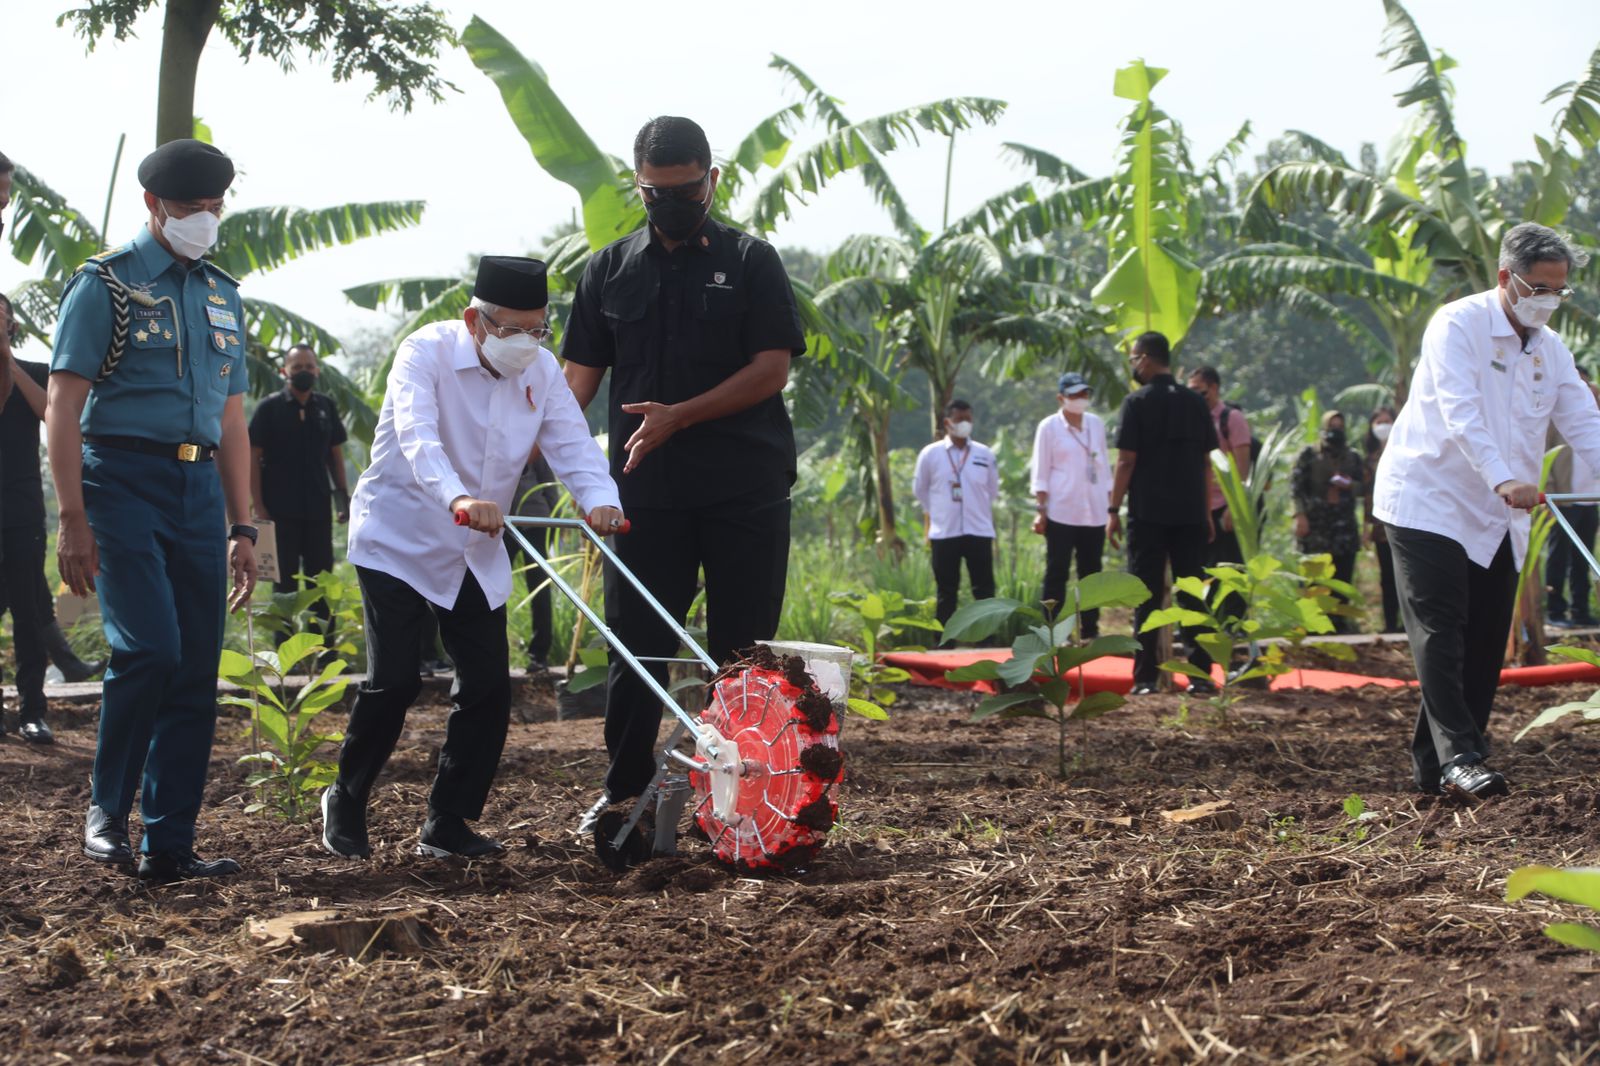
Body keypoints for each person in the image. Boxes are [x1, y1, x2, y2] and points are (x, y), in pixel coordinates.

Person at [320, 256, 621, 860]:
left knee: (487, 687)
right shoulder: (425, 353)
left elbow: (572, 442)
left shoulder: (540, 371)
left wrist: (600, 501)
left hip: (474, 549)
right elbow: (416, 434)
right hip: (398, 540)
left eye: (538, 330)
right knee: (397, 680)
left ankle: (447, 820)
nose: (526, 343)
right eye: (512, 330)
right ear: (474, 321)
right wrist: (457, 494)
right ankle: (347, 797)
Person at [560, 116, 806, 832]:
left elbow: (771, 369)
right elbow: (575, 383)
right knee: (636, 649)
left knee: (743, 651)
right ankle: (624, 793)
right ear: (636, 187)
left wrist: (681, 415)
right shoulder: (607, 269)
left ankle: (736, 802)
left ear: (712, 181)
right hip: (643, 495)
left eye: (686, 189)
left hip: (744, 488)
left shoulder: (752, 261)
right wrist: (532, 453)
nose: (672, 202)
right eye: (656, 192)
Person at [47, 139, 256, 882]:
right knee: (150, 651)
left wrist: (243, 524)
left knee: (196, 667)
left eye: (213, 206)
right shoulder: (106, 286)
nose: (204, 218)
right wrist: (73, 519)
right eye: (189, 208)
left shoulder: (222, 294)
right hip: (121, 480)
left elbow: (233, 422)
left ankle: (170, 842)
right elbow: (64, 409)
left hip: (199, 493)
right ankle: (107, 811)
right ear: (152, 206)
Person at [1373, 222, 1600, 801]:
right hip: (1429, 499)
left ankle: (1434, 767)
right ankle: (1463, 757)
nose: (1548, 300)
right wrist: (1503, 477)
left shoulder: (1551, 350)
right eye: (1539, 287)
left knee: (1483, 638)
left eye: (1559, 290)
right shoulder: (1459, 324)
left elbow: (1584, 424)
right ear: (1506, 278)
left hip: (1499, 513)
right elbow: (1459, 409)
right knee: (1440, 630)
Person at [1106, 331, 1218, 696]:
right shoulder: (1196, 403)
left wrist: (1113, 509)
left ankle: (1144, 680)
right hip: (1190, 516)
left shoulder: (1136, 403)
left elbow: (1126, 460)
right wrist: (1207, 515)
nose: (1133, 366)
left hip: (1148, 514)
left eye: (1134, 358)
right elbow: (1206, 464)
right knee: (1192, 596)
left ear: (1146, 359)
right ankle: (1200, 677)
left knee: (1147, 597)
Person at [248, 343, 350, 634]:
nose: (304, 372)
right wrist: (259, 505)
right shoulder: (269, 408)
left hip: (318, 508)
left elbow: (335, 456)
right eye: (297, 368)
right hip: (279, 510)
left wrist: (342, 500)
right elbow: (253, 458)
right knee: (285, 586)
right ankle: (287, 654)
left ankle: (326, 651)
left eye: (308, 367)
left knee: (322, 581)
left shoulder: (325, 407)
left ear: (317, 370)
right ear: (285, 372)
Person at [0, 294, 56, 741]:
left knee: (28, 615)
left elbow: (52, 415)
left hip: (22, 513)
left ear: (13, 327)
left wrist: (8, 362)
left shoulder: (34, 372)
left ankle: (32, 711)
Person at [1030, 372, 1110, 634]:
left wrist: (1112, 508)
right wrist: (1041, 510)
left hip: (1094, 510)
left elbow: (1105, 467)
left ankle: (1090, 630)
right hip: (1061, 510)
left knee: (1092, 575)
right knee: (1057, 572)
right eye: (1074, 395)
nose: (1080, 399)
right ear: (1061, 397)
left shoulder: (1096, 424)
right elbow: (1041, 471)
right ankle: (1052, 631)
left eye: (1084, 394)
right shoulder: (1049, 427)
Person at [914, 400, 1000, 629]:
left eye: (968, 419)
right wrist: (937, 513)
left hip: (978, 529)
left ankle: (987, 638)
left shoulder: (984, 453)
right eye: (960, 419)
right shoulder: (930, 454)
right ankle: (944, 642)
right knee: (946, 590)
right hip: (944, 532)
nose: (965, 423)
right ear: (947, 422)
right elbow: (920, 490)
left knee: (984, 589)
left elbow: (992, 490)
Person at [1292, 410, 1365, 633]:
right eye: (1331, 425)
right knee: (1313, 579)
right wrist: (1300, 516)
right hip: (1316, 527)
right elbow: (1295, 487)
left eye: (1339, 426)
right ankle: (1312, 625)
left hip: (1343, 526)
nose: (1336, 430)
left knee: (1342, 578)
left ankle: (1339, 625)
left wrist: (1348, 485)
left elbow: (1365, 487)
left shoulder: (1352, 457)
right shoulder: (1309, 454)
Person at [1544, 373, 1600, 628]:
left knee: (1584, 558)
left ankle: (1580, 610)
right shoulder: (1555, 421)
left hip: (1590, 501)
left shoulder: (1594, 419)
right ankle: (1555, 612)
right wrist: (1549, 493)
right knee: (1558, 557)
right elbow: (1543, 459)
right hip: (1563, 500)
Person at [505, 453, 560, 674]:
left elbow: (550, 485)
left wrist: (555, 523)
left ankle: (539, 655)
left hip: (535, 520)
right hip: (502, 521)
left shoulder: (533, 445)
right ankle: (497, 653)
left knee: (540, 588)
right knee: (494, 589)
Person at [1361, 406, 1402, 634]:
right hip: (1380, 527)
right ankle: (1389, 623)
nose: (1384, 425)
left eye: (1388, 421)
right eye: (1379, 422)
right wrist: (1366, 527)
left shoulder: (1405, 452)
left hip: (1405, 522)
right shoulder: (1369, 461)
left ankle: (1408, 622)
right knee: (1387, 576)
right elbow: (1368, 496)